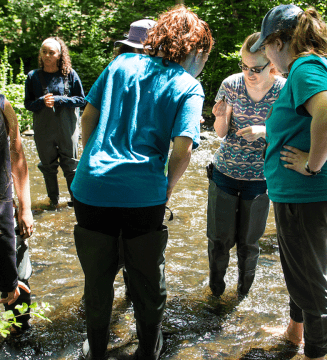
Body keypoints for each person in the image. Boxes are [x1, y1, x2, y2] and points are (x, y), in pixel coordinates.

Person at [71, 6, 213, 360]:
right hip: (144, 196)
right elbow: (182, 150)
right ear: (194, 50)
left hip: (91, 189)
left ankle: (98, 350)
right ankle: (149, 349)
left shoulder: (119, 65)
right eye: (204, 55)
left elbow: (88, 117)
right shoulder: (188, 86)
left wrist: (93, 160)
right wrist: (165, 190)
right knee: (148, 278)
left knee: (98, 276)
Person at [250, 5, 327, 359]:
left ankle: (316, 353)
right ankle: (295, 334)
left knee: (311, 285)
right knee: (304, 271)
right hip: (317, 194)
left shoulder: (305, 67)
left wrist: (311, 165)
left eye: (266, 46)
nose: (266, 54)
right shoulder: (323, 64)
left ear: (279, 41)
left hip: (309, 193)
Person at [207, 32, 285, 298]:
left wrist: (263, 130)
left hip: (261, 177)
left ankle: (243, 295)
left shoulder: (283, 90)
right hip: (225, 172)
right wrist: (219, 117)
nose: (249, 73)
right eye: (244, 66)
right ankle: (215, 293)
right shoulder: (230, 85)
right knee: (219, 241)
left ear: (272, 65)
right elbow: (220, 132)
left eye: (256, 68)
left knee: (249, 244)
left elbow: (289, 134)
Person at [24, 37, 86, 207]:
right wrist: (41, 101)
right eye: (44, 51)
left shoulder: (70, 74)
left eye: (51, 52)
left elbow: (82, 100)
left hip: (67, 128)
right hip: (43, 129)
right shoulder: (33, 77)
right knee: (47, 167)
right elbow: (28, 104)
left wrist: (59, 99)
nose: (47, 55)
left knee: (71, 166)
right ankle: (53, 202)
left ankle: (76, 202)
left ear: (60, 55)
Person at [0, 94, 33, 333]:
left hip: (5, 209)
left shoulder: (3, 106)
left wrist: (26, 208)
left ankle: (18, 333)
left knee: (19, 276)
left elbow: (17, 155)